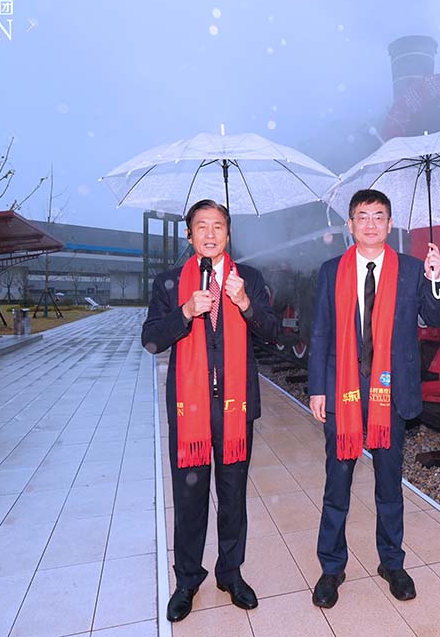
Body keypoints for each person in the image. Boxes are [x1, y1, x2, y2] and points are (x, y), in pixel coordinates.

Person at [307, 188, 440, 608]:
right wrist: (317, 388)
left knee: (389, 486)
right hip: (344, 392)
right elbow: (320, 332)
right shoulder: (331, 271)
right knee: (337, 485)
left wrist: (435, 278)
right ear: (350, 225)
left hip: (391, 392)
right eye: (362, 216)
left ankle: (392, 563)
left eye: (379, 216)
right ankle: (332, 568)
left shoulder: (412, 269)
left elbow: (434, 318)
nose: (370, 224)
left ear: (390, 224)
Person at [142, 199, 278, 622]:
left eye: (218, 225)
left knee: (233, 496)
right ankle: (187, 580)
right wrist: (185, 311)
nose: (210, 233)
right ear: (189, 235)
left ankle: (230, 573)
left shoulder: (248, 278)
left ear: (228, 233)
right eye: (201, 226)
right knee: (189, 498)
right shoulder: (169, 283)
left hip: (236, 409)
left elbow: (272, 333)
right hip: (191, 410)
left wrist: (245, 303)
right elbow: (151, 340)